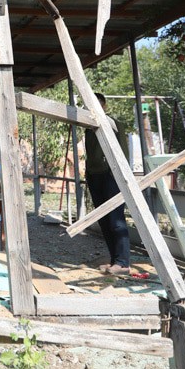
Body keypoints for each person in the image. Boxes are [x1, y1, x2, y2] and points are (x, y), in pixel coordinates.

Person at [84, 93, 132, 275]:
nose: (92, 109)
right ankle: (115, 261)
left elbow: (124, 152)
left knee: (116, 220)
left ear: (104, 106)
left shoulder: (113, 124)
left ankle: (123, 263)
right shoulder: (88, 128)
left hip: (111, 175)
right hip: (94, 175)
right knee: (104, 220)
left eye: (96, 105)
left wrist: (119, 174)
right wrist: (88, 172)